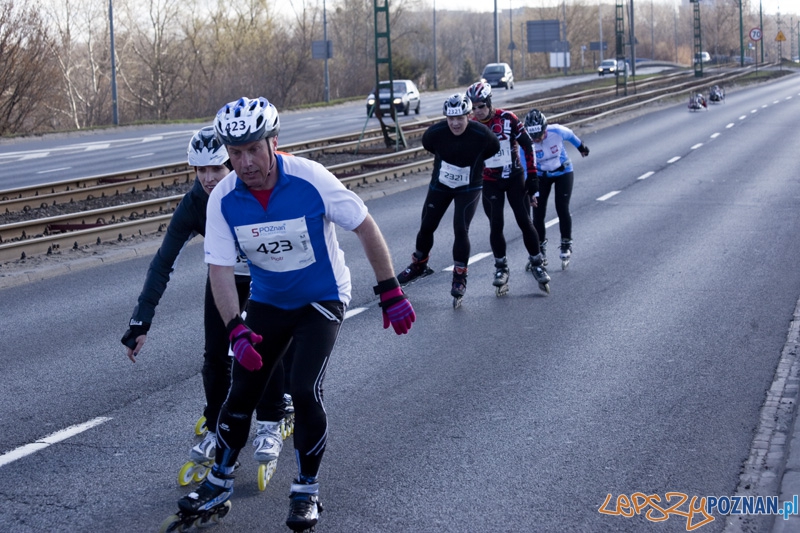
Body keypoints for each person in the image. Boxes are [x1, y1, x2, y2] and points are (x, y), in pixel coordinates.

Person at [176, 96, 415, 532]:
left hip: (321, 298)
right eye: (235, 153)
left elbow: (364, 225)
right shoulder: (224, 200)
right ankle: (220, 478)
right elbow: (220, 269)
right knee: (241, 389)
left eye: (253, 149)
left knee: (303, 389)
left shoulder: (310, 179)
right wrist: (235, 328)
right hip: (268, 300)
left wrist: (389, 290)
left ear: (273, 141)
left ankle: (306, 489)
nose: (245, 162)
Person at [121, 126, 291, 483]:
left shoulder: (257, 188)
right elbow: (163, 261)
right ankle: (217, 427)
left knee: (266, 348)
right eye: (200, 171)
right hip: (224, 280)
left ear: (232, 162)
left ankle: (271, 421)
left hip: (267, 277)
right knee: (215, 356)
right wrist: (141, 320)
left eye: (216, 169)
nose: (209, 178)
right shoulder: (195, 203)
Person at [396, 93, 500, 305]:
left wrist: (473, 165)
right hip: (441, 184)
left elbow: (494, 148)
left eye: (459, 118)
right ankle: (419, 264)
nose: (455, 123)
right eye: (450, 119)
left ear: (468, 116)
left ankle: (459, 276)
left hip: (469, 187)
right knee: (427, 225)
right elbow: (428, 144)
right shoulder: (435, 133)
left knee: (460, 229)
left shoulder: (482, 134)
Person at [465, 81, 550, 295]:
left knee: (524, 219)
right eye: (473, 107)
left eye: (481, 106)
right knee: (496, 224)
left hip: (513, 176)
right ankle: (501, 268)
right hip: (490, 181)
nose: (477, 111)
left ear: (490, 102)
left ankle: (537, 263)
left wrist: (532, 178)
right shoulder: (472, 125)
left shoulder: (507, 119)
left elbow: (528, 144)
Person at [523, 109, 590, 270]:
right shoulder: (525, 140)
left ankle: (566, 244)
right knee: (538, 213)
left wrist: (582, 148)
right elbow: (526, 168)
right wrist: (533, 193)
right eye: (534, 137)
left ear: (545, 128)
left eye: (540, 135)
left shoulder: (557, 131)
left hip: (563, 172)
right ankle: (539, 251)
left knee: (562, 207)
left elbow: (572, 137)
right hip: (541, 175)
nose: (537, 139)